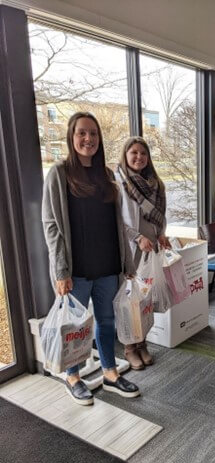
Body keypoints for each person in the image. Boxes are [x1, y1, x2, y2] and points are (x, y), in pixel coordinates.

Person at [42, 112, 140, 405]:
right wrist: (61, 271)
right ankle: (73, 376)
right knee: (74, 327)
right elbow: (51, 225)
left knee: (106, 321)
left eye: (93, 134)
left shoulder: (107, 175)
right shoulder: (59, 174)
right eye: (82, 133)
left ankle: (110, 373)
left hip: (108, 265)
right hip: (77, 270)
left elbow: (118, 224)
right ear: (72, 138)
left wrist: (126, 264)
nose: (88, 139)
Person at [116, 136, 170, 369]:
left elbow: (161, 215)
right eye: (134, 153)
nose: (139, 157)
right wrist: (137, 238)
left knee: (146, 299)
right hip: (130, 252)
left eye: (143, 153)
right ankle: (130, 347)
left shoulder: (156, 183)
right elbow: (116, 220)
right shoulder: (119, 183)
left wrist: (161, 233)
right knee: (130, 301)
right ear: (125, 155)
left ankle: (142, 343)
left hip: (152, 252)